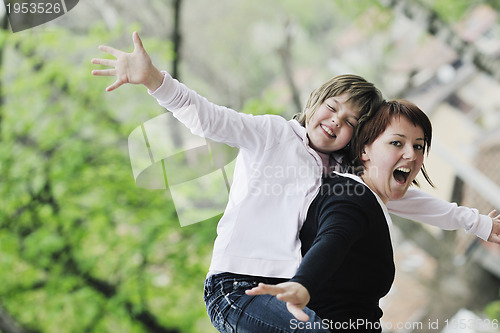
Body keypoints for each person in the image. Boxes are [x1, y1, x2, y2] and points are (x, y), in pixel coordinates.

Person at [91, 32, 500, 332]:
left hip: (287, 294)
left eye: (350, 123)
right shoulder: (272, 135)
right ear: (314, 102)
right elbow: (210, 118)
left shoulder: (341, 172)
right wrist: (154, 81)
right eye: (332, 107)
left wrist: (476, 222)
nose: (335, 121)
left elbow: (401, 197)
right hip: (236, 289)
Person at [247, 99, 432, 332]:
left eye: (418, 146)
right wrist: (303, 284)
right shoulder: (352, 197)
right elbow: (334, 238)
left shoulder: (361, 196)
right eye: (397, 143)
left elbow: (428, 206)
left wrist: (477, 223)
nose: (411, 155)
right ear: (364, 149)